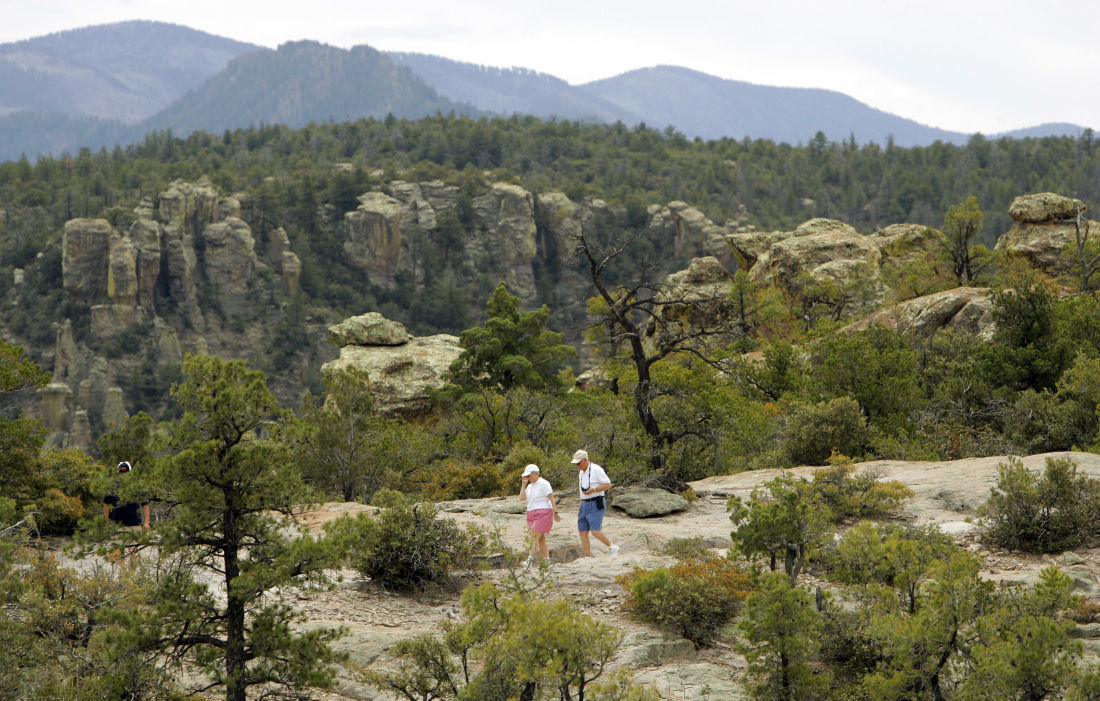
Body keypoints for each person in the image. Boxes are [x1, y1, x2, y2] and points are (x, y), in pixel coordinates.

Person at [572, 449, 619, 557]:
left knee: (595, 530)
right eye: (576, 464)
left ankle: (612, 547)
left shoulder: (596, 469)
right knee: (582, 531)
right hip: (584, 503)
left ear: (585, 460)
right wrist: (581, 501)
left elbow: (607, 484)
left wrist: (593, 490)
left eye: (578, 463)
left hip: (596, 502)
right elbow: (581, 489)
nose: (577, 465)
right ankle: (587, 556)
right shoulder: (581, 472)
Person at [103, 461, 150, 567]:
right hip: (120, 524)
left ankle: (131, 575)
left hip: (133, 523)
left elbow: (145, 504)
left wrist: (146, 522)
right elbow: (106, 504)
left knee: (132, 549)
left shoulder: (137, 485)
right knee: (119, 550)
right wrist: (107, 520)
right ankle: (125, 574)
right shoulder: (113, 485)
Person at [519, 463, 559, 567]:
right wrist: (523, 484)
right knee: (541, 539)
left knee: (534, 537)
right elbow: (522, 498)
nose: (527, 477)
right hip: (531, 513)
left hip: (544, 512)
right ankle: (547, 561)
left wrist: (555, 512)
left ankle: (529, 561)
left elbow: (551, 498)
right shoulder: (530, 487)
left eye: (529, 475)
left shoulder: (544, 483)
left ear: (535, 474)